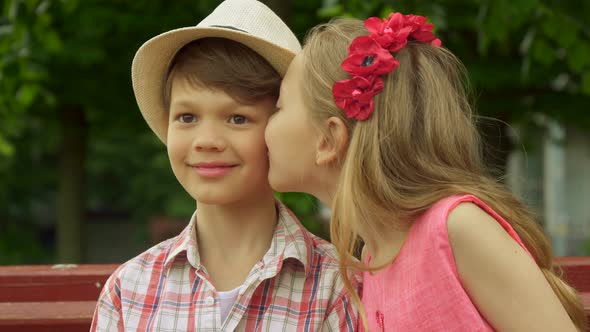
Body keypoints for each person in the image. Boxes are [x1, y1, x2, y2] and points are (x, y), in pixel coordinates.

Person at [265, 13, 587, 331]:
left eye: (278, 107)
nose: (265, 122)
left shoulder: (456, 228)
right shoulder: (374, 257)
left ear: (329, 139)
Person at [91, 0, 358, 330]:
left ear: (281, 128)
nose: (207, 140)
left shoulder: (338, 286)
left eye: (237, 118)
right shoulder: (128, 290)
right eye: (187, 117)